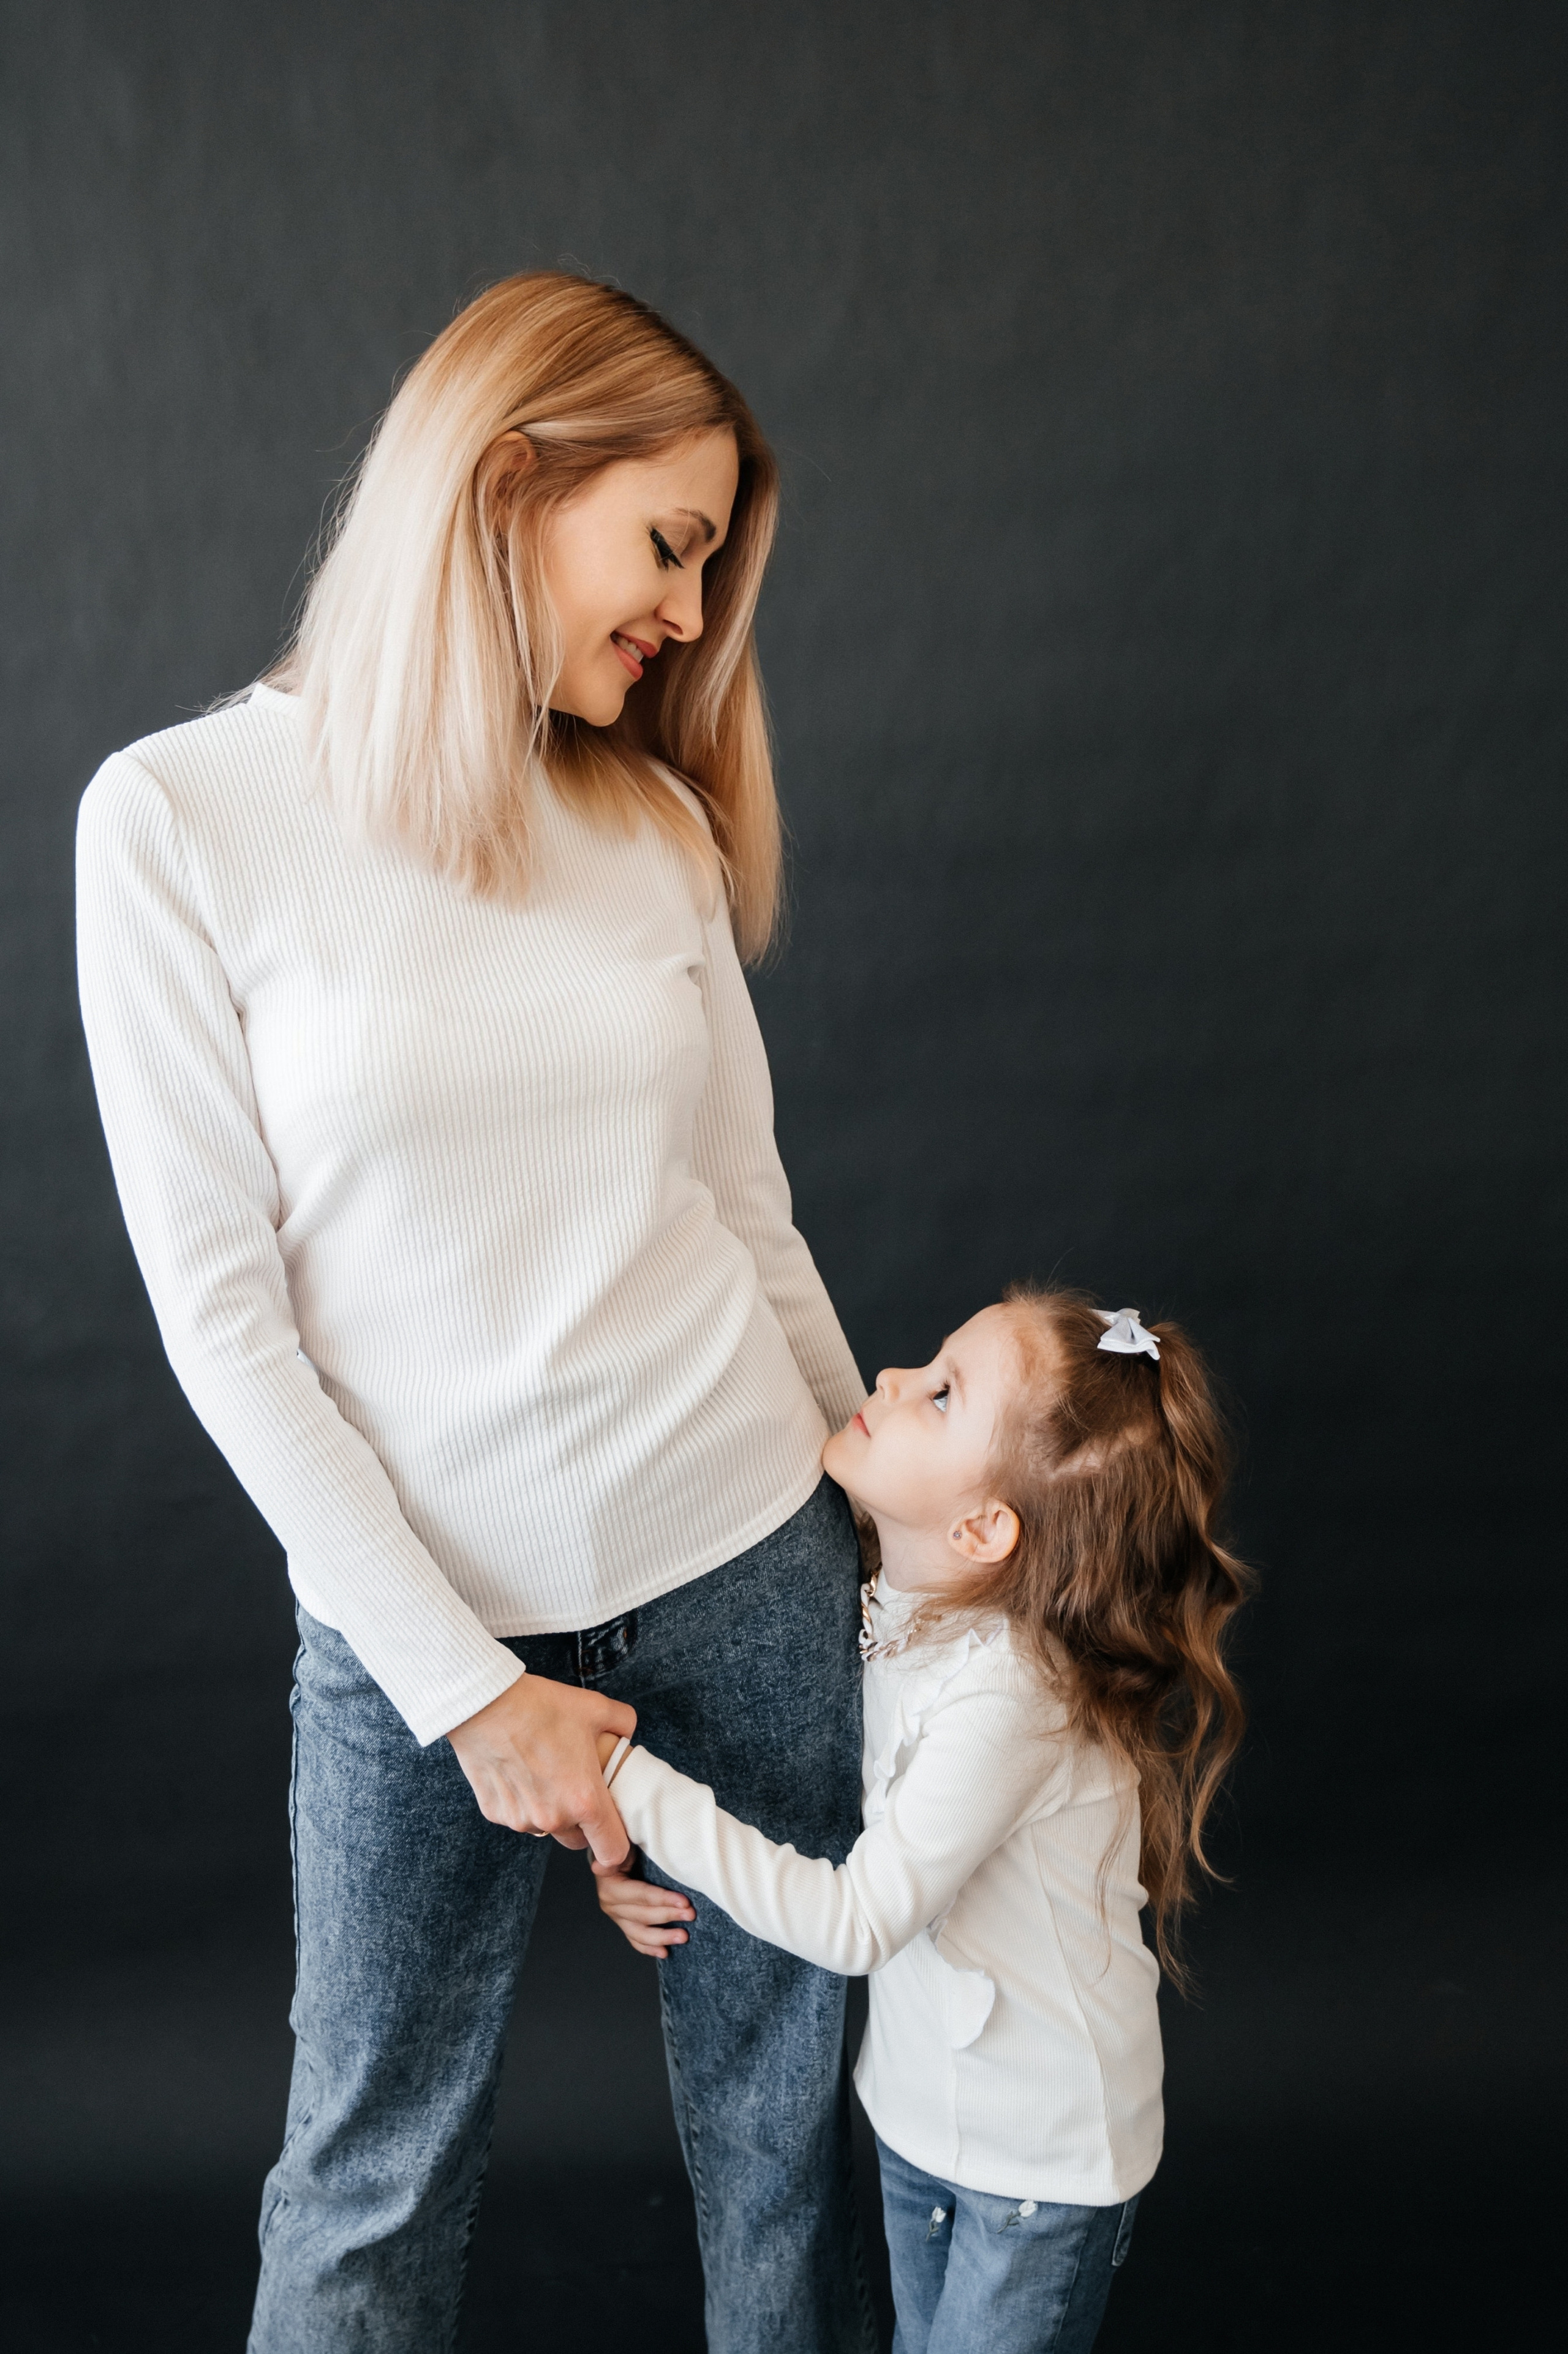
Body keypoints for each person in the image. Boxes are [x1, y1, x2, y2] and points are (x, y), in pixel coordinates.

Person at [76, 273, 876, 2353]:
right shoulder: (174, 822)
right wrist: (467, 1690)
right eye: (669, 546)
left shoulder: (652, 823)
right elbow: (224, 1320)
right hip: (426, 1631)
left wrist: (883, 1548)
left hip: (752, 1570)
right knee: (369, 2171)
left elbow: (748, 1215)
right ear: (510, 481)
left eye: (712, 567)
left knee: (785, 2150)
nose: (691, 618)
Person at [594, 1286, 1252, 2354]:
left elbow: (857, 1920)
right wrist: (626, 1844)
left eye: (942, 1395)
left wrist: (621, 1783)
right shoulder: (886, 1603)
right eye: (927, 1365)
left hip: (1042, 2161)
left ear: (983, 1527)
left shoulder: (1012, 1697)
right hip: (917, 2115)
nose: (891, 1381)